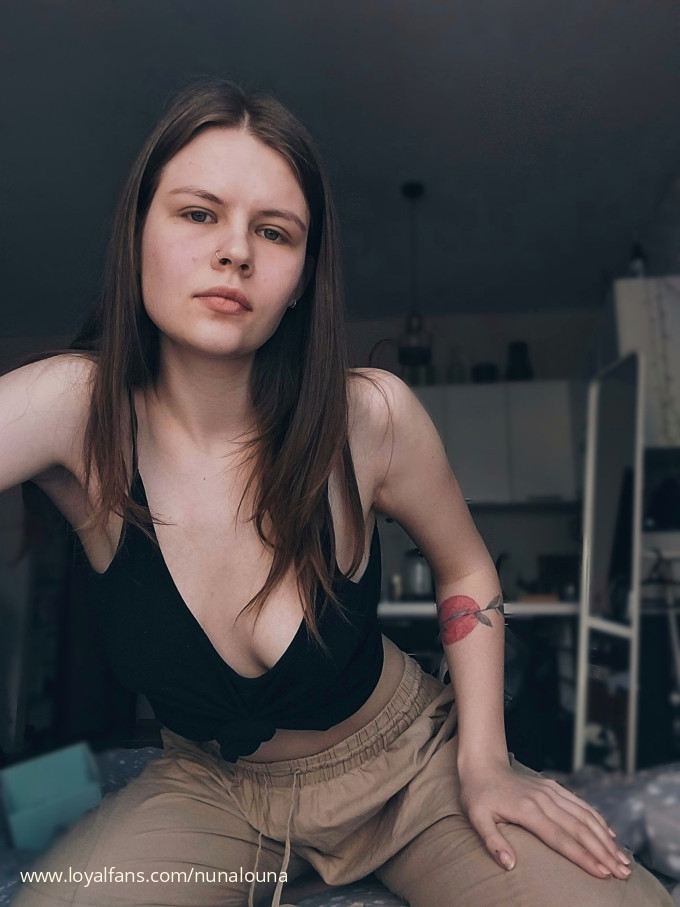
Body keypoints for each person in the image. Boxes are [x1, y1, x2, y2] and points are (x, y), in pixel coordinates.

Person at [2, 78, 672, 907]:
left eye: (273, 231)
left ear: (299, 278)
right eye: (199, 213)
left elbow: (466, 569)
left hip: (408, 768)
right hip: (213, 793)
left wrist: (485, 760)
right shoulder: (79, 410)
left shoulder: (371, 416)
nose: (236, 251)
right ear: (137, 232)